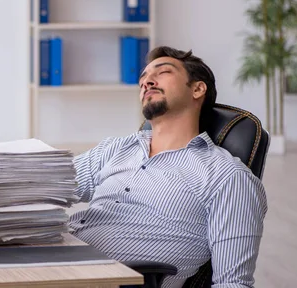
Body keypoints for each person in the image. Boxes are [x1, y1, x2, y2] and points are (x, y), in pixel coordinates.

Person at [68, 46, 268, 288]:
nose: (146, 82)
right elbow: (48, 184)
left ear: (197, 88)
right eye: (143, 77)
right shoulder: (116, 148)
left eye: (163, 72)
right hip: (58, 259)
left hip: (104, 280)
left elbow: (233, 283)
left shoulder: (226, 177)